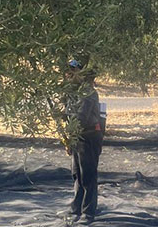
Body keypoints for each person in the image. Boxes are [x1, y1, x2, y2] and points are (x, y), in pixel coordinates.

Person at [61, 59, 104, 225]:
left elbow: (81, 118)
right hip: (77, 137)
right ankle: (75, 208)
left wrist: (69, 128)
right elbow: (68, 112)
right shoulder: (72, 91)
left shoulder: (87, 92)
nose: (69, 75)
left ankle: (88, 212)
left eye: (73, 71)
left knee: (88, 176)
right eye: (68, 72)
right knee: (77, 175)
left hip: (88, 137)